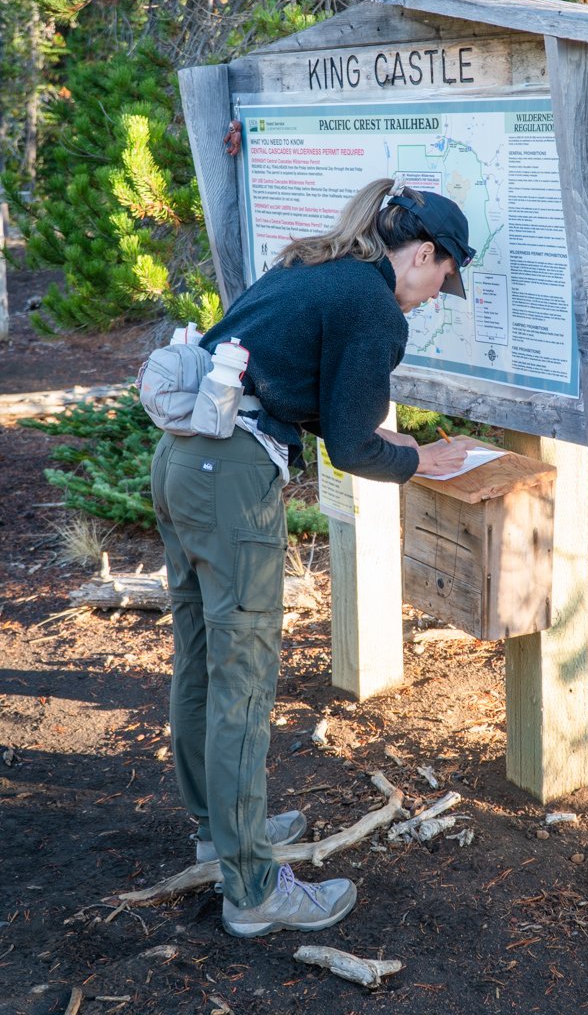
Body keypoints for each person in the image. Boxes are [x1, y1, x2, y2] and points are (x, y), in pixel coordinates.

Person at [150, 177, 474, 939]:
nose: (436, 295)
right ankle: (254, 890)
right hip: (230, 478)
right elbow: (354, 447)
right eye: (444, 276)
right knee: (243, 680)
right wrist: (422, 459)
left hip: (182, 458)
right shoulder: (373, 305)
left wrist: (392, 442)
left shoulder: (321, 266)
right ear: (422, 253)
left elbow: (322, 405)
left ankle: (220, 832)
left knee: (200, 659)